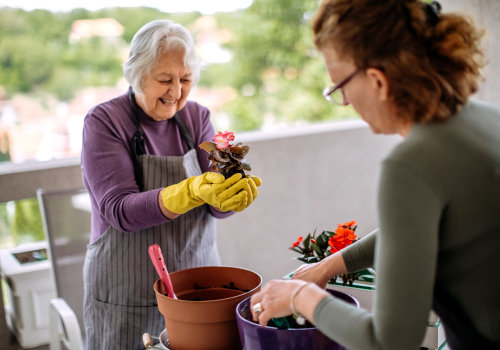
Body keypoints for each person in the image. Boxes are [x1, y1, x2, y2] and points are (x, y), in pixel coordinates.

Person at [250, 1, 500, 349]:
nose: (347, 102)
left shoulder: (410, 165)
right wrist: (329, 266)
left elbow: (392, 341)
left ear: (377, 80)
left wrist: (302, 298)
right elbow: (420, 225)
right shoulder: (485, 119)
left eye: (340, 86)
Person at [81, 19, 261, 349]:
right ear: (135, 74)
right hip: (127, 296)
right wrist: (189, 190)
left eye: (186, 79)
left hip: (197, 293)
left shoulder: (197, 118)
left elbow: (214, 205)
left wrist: (229, 198)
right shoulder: (105, 122)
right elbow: (120, 211)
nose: (176, 92)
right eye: (164, 79)